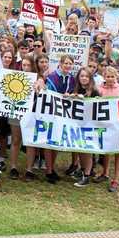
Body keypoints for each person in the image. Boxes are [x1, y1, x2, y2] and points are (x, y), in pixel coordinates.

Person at [43, 54, 76, 184]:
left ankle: (52, 168)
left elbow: (74, 92)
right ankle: (48, 170)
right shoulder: (51, 77)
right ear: (60, 64)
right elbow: (48, 93)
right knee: (49, 141)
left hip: (63, 114)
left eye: (70, 64)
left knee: (57, 140)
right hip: (51, 112)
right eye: (66, 63)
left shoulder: (71, 79)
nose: (68, 66)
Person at [95, 66, 119, 192]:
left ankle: (116, 180)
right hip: (104, 123)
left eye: (112, 76)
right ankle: (105, 173)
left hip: (118, 124)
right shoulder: (99, 88)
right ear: (104, 77)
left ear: (116, 77)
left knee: (118, 152)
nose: (110, 79)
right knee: (106, 149)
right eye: (107, 76)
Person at [70, 67, 101, 187]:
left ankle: (87, 175)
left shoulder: (94, 91)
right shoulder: (76, 89)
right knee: (80, 149)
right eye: (82, 76)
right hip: (78, 124)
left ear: (90, 78)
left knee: (87, 151)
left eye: (86, 76)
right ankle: (82, 170)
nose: (84, 78)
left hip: (89, 125)